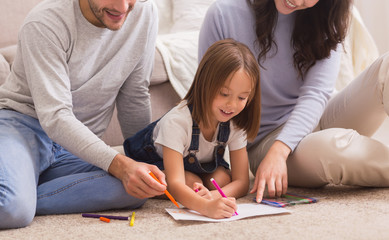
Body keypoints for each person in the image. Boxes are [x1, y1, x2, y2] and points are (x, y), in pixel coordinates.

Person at [199, 0, 389, 203]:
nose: (298, 1)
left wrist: (280, 151)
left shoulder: (327, 12)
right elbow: (208, 94)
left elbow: (316, 93)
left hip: (320, 114)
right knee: (333, 147)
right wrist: (277, 151)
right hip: (266, 141)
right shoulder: (223, 14)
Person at [0, 0, 167, 229]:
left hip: (76, 147)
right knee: (10, 209)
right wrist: (120, 165)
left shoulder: (144, 13)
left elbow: (134, 95)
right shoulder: (45, 22)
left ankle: (23, 190)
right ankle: (17, 196)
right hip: (23, 127)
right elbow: (56, 117)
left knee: (137, 189)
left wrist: (145, 166)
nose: (122, 7)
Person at [123, 39, 261, 219]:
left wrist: (213, 196)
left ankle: (201, 186)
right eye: (224, 94)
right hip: (157, 162)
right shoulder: (177, 122)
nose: (232, 105)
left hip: (197, 166)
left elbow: (242, 181)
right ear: (205, 84)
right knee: (190, 183)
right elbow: (175, 184)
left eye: (242, 98)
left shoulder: (236, 121)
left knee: (221, 180)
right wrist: (205, 206)